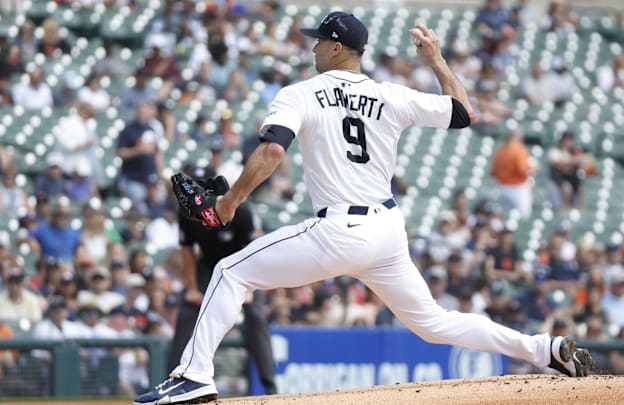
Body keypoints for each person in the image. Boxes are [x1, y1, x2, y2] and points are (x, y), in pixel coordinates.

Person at [135, 13, 593, 405]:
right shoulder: (390, 94)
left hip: (339, 229)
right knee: (434, 323)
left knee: (230, 272)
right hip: (387, 230)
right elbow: (462, 112)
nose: (313, 47)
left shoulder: (301, 93)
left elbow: (273, 152)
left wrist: (229, 202)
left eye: (319, 40)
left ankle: (194, 376)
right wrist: (435, 60)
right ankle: (543, 348)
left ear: (336, 48)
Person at [167, 179, 277, 394]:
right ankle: (173, 381)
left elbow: (251, 254)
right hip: (208, 265)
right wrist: (191, 287)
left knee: (255, 314)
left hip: (242, 264)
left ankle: (270, 386)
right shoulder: (188, 213)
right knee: (187, 311)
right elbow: (187, 251)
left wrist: (249, 291)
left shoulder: (242, 211)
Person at [490, 129, 533, 218]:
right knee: (524, 217)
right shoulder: (519, 149)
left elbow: (493, 172)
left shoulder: (500, 150)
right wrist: (534, 169)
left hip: (502, 187)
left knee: (504, 217)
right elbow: (523, 171)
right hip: (518, 188)